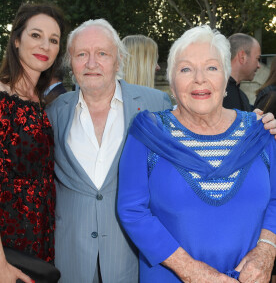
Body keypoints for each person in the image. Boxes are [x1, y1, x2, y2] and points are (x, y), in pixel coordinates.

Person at [118, 25, 276, 283]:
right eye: (186, 69)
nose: (199, 78)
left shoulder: (259, 132)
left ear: (226, 77)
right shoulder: (148, 133)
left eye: (211, 67)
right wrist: (192, 272)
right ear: (171, 81)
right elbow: (132, 210)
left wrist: (267, 250)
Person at [45, 19, 172, 283]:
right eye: (82, 54)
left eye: (102, 53)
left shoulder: (155, 104)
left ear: (118, 60)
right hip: (70, 258)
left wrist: (253, 124)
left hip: (132, 255)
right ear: (70, 62)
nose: (91, 63)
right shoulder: (55, 111)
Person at [0, 2, 65, 283]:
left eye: (53, 40)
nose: (45, 46)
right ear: (16, 40)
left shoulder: (40, 102)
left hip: (38, 240)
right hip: (2, 246)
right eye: (36, 35)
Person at [223, 33, 261, 111]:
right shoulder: (217, 95)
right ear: (242, 57)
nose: (258, 65)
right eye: (257, 59)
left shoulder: (242, 96)